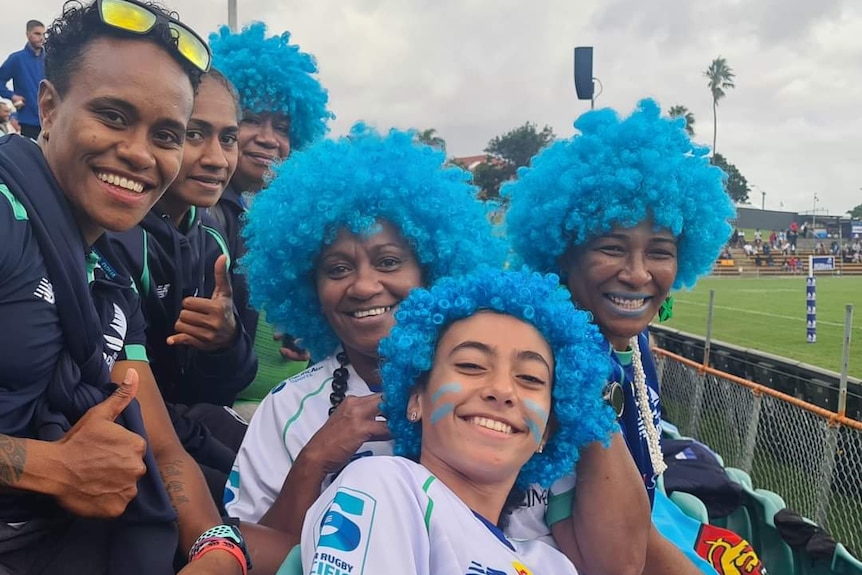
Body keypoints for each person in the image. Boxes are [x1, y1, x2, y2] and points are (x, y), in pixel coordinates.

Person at [226, 125, 651, 575]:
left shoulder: (532, 411)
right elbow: (244, 555)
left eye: (389, 261)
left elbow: (616, 564)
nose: (365, 286)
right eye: (337, 268)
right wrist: (314, 460)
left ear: (433, 266)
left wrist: (583, 397)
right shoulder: (290, 411)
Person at [0, 1, 257, 573]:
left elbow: (163, 449)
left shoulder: (108, 279)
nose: (140, 153)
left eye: (166, 133)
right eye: (114, 116)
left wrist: (218, 549)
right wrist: (46, 466)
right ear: (47, 106)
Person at [504, 99, 762, 574]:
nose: (638, 274)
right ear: (563, 255)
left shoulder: (631, 341)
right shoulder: (549, 363)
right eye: (611, 247)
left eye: (660, 251)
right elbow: (612, 558)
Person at [301, 268, 617, 574]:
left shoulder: (553, 565)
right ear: (417, 399)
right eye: (471, 365)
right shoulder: (385, 487)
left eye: (530, 378)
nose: (503, 390)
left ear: (547, 430)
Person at [104, 69, 257, 506]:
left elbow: (230, 384)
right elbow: (127, 398)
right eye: (194, 134)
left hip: (190, 422)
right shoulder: (112, 234)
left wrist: (225, 342)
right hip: (135, 440)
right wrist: (234, 468)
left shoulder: (214, 235)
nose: (217, 158)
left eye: (228, 138)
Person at [209, 23, 334, 405]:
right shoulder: (203, 210)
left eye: (281, 126)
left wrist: (311, 328)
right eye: (251, 119)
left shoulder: (282, 215)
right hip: (224, 412)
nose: (268, 138)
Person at [0, 20, 46, 140]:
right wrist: (12, 96)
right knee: (32, 156)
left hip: (50, 119)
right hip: (28, 121)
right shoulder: (17, 59)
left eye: (43, 34)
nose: (41, 38)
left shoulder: (50, 59)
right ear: (28, 34)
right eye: (37, 33)